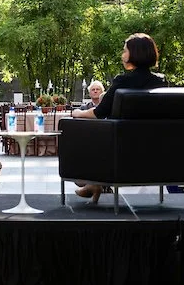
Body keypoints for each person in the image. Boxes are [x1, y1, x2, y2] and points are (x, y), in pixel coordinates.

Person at [68, 32, 167, 202]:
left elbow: (99, 112)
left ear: (135, 54)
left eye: (125, 51)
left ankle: (94, 179)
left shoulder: (123, 81)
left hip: (122, 145)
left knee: (80, 128)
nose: (122, 55)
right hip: (153, 145)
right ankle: (96, 183)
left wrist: (77, 113)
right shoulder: (161, 81)